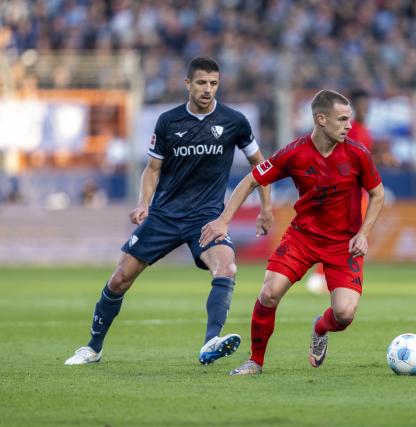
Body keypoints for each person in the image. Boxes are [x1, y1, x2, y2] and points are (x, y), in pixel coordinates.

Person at [64, 56, 273, 365]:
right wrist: (143, 202)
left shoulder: (234, 122)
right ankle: (93, 347)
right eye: (201, 83)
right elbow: (151, 169)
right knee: (120, 278)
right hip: (164, 214)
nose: (208, 89)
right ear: (187, 84)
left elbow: (261, 166)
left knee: (227, 267)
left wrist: (266, 208)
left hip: (206, 218)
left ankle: (210, 342)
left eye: (213, 84)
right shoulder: (168, 122)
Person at [199, 90, 385, 375]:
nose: (349, 125)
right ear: (321, 119)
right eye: (343, 119)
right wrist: (224, 220)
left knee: (344, 314)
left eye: (349, 119)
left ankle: (320, 328)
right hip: (303, 238)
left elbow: (377, 193)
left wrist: (363, 233)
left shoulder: (358, 153)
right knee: (269, 292)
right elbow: (251, 179)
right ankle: (255, 362)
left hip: (343, 244)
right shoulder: (294, 153)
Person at [305, 88, 375, 294]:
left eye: (368, 106)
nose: (366, 110)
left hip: (359, 192)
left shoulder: (364, 131)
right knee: (340, 234)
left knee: (351, 235)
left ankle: (328, 276)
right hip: (343, 193)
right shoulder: (347, 130)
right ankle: (323, 275)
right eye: (362, 106)